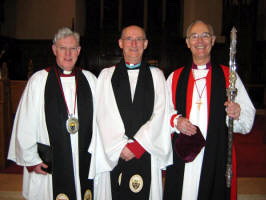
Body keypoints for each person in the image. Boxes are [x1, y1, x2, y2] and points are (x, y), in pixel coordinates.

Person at [163, 20, 256, 200]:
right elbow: (161, 113)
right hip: (183, 153)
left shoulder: (230, 77)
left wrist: (237, 113)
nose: (200, 41)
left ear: (213, 40)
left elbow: (247, 117)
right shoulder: (174, 77)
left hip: (216, 153)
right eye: (194, 36)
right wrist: (176, 121)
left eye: (205, 35)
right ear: (187, 42)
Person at [8, 27, 97, 200]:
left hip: (83, 159)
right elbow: (25, 122)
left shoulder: (90, 80)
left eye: (73, 49)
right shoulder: (39, 81)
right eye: (63, 48)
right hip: (50, 162)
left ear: (79, 51)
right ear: (54, 49)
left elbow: (102, 121)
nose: (68, 54)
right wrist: (31, 159)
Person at [88, 25, 173, 200]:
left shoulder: (156, 76)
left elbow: (161, 113)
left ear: (146, 43)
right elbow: (102, 115)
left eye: (139, 39)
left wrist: (138, 145)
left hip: (146, 152)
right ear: (120, 43)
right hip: (114, 153)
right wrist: (119, 147)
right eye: (128, 39)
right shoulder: (106, 75)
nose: (134, 44)